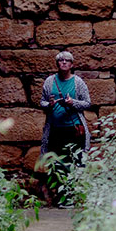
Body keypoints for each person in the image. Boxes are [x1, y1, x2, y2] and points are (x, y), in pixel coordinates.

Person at [39, 50, 91, 200]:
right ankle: (62, 197)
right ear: (57, 64)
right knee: (57, 162)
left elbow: (87, 103)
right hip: (56, 129)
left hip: (73, 128)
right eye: (60, 60)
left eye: (67, 60)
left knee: (75, 161)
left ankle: (75, 194)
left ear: (72, 64)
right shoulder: (50, 81)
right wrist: (49, 104)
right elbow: (42, 102)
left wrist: (72, 103)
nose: (63, 62)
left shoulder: (78, 82)